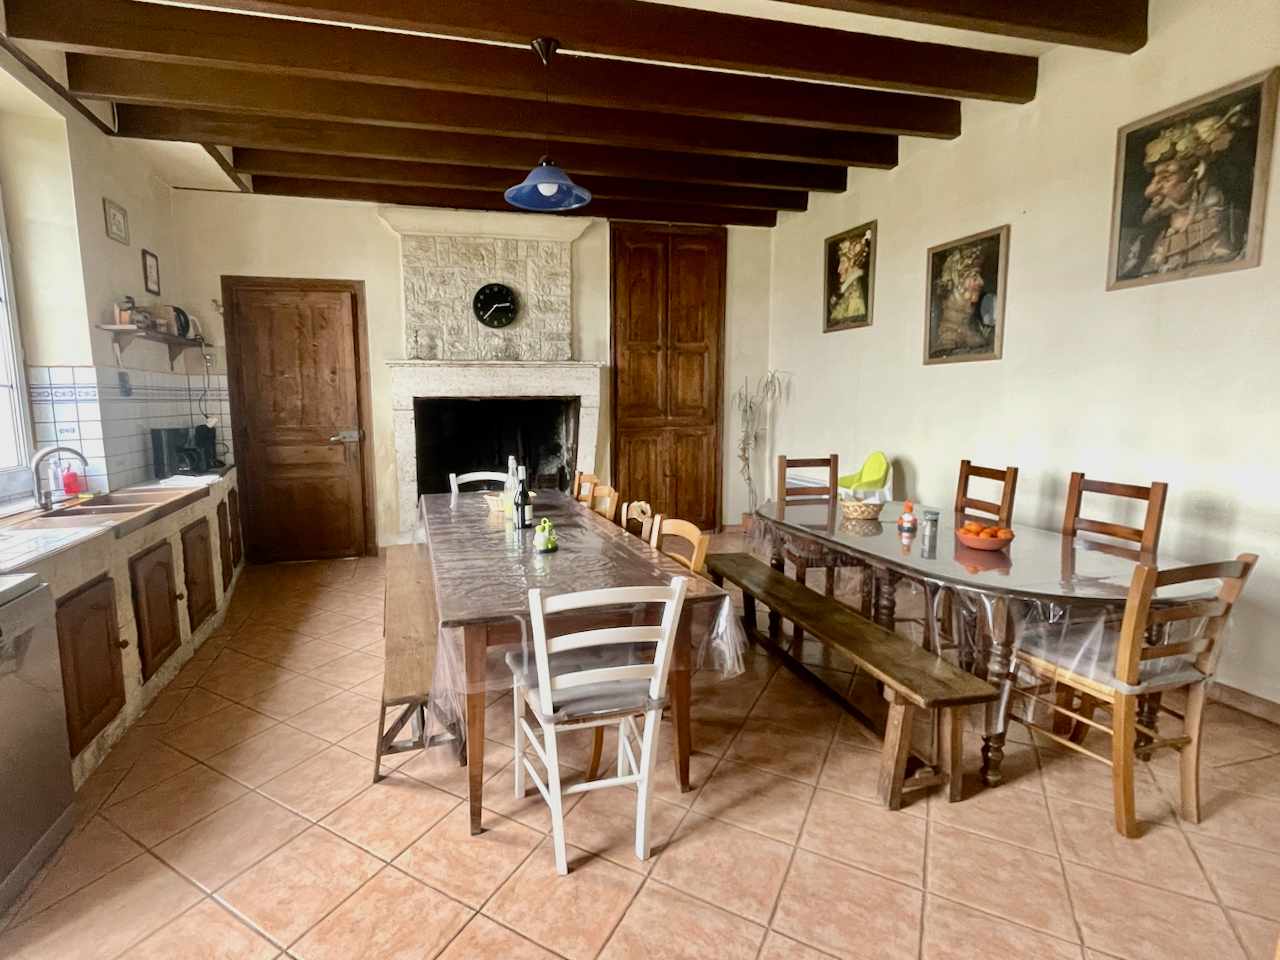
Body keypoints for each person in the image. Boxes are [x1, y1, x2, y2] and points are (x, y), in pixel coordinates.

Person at [1120, 104, 1248, 279]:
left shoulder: (1232, 226)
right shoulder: (1143, 243)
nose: (1151, 191)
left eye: (1165, 177)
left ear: (1195, 174)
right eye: (1155, 179)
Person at [932, 243, 990, 354]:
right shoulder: (949, 336)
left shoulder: (972, 324)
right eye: (974, 275)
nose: (980, 281)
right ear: (957, 280)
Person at [828, 230, 871, 325]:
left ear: (853, 263)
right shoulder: (844, 293)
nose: (839, 269)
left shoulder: (856, 294)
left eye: (843, 263)